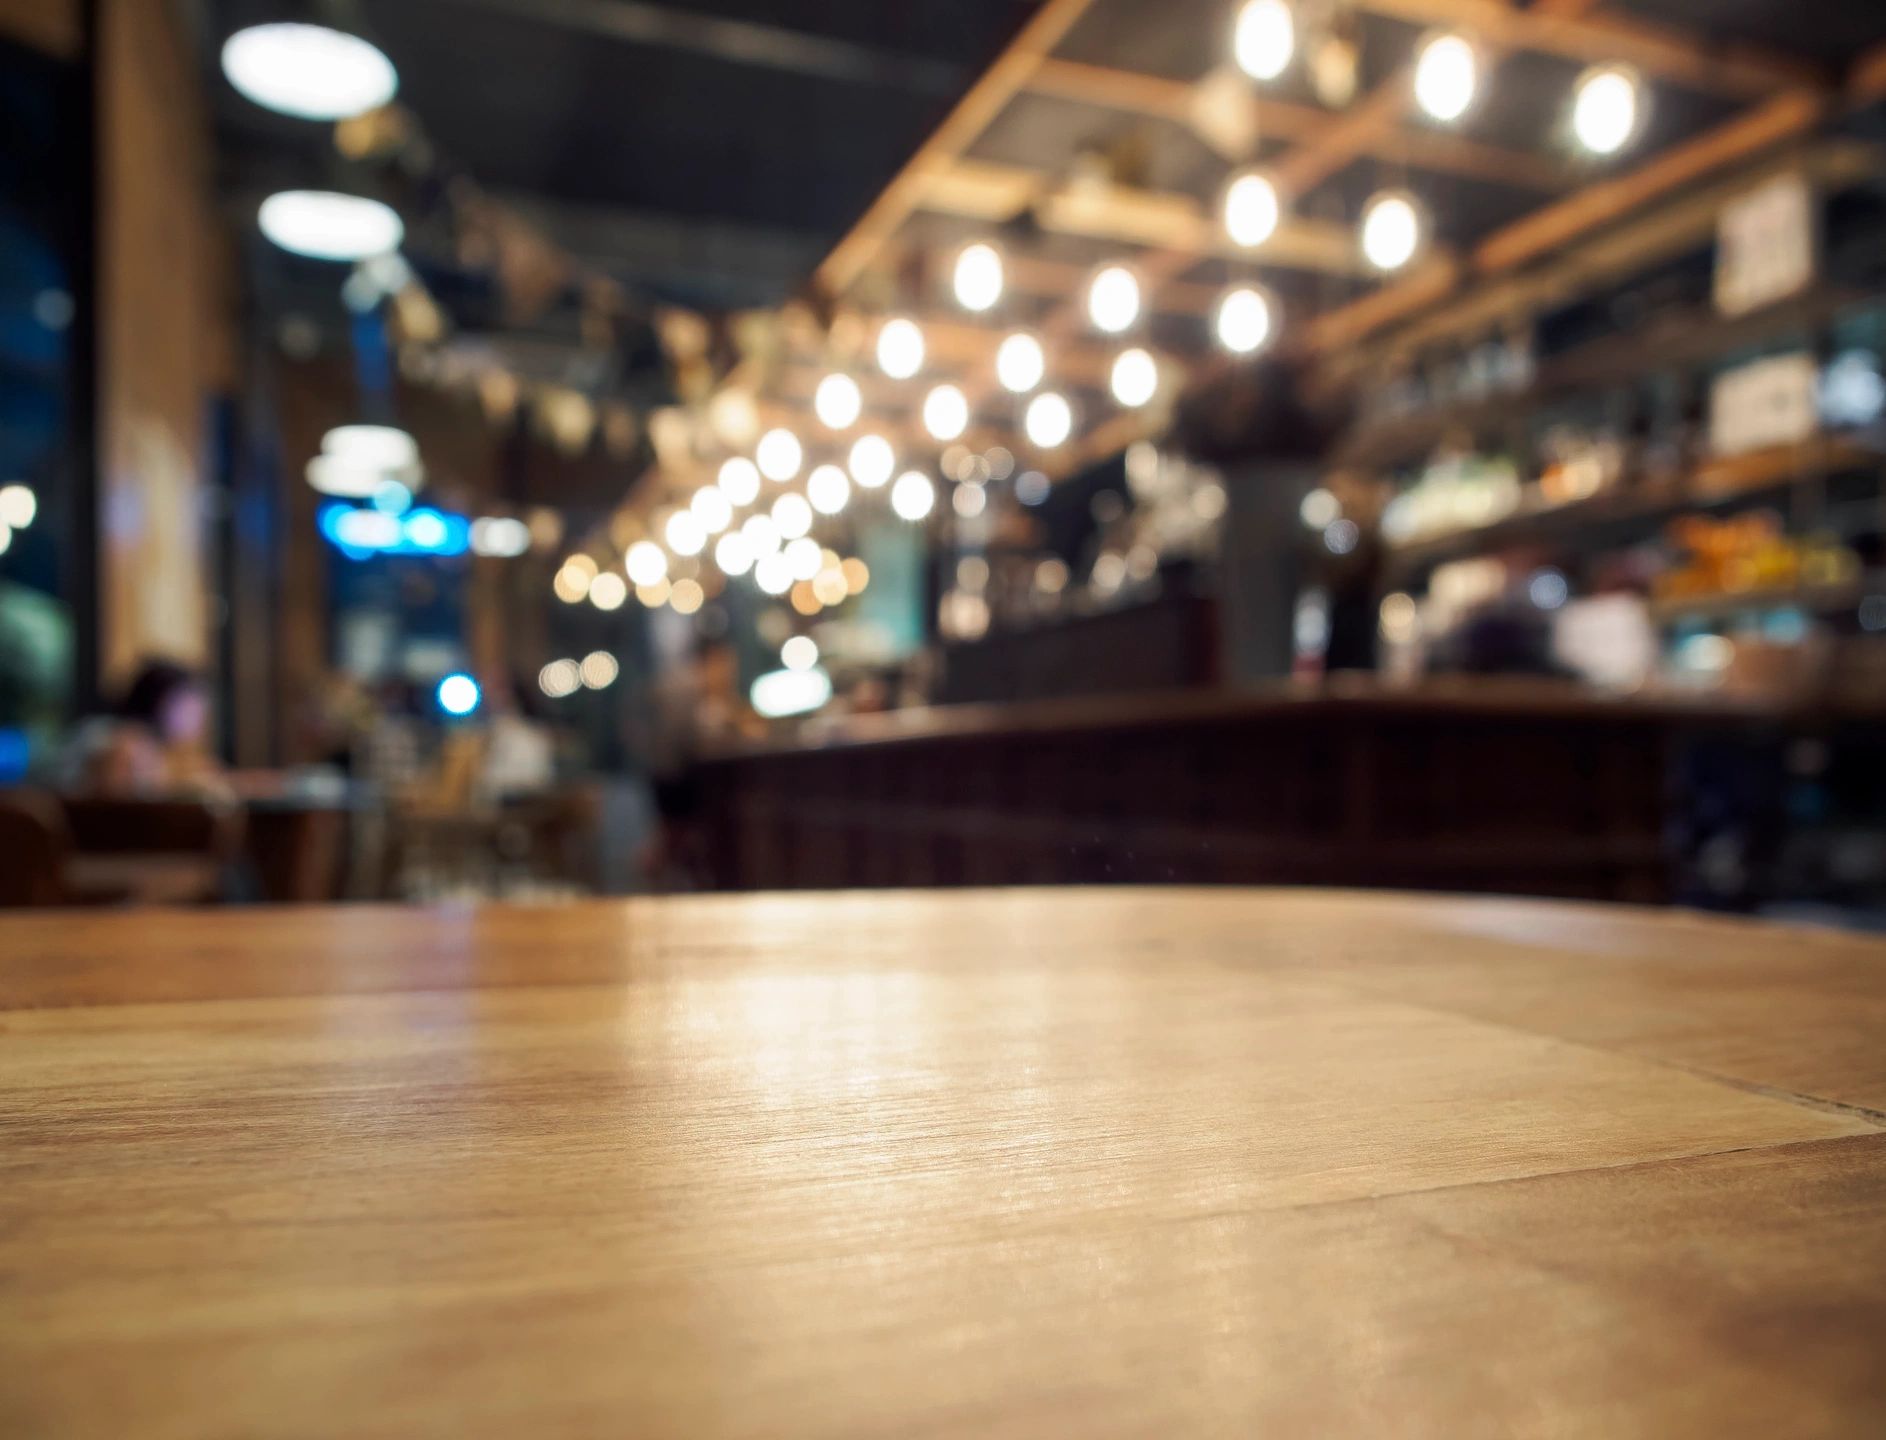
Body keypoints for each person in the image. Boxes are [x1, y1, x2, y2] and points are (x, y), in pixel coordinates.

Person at [62, 659, 226, 797]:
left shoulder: (123, 735)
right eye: (189, 707)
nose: (199, 718)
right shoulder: (126, 745)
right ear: (158, 702)